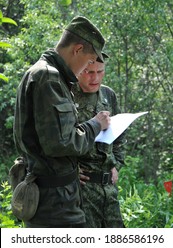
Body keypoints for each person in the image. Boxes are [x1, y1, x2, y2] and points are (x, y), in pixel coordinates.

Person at [13, 16, 111, 228]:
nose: (88, 68)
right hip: (54, 205)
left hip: (56, 197)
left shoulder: (47, 75)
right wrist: (95, 124)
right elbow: (61, 142)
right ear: (77, 50)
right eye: (88, 61)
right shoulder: (48, 77)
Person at [72, 59, 125, 227]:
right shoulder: (67, 95)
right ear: (78, 71)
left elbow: (119, 137)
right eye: (89, 72)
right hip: (81, 191)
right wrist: (69, 170)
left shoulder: (108, 95)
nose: (95, 78)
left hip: (108, 189)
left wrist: (116, 164)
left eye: (100, 72)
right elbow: (59, 139)